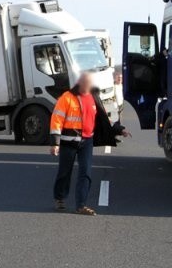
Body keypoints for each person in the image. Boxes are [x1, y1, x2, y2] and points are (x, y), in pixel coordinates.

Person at [50, 72, 131, 215]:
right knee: (64, 172)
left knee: (85, 173)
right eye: (86, 83)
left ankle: (81, 205)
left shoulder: (93, 98)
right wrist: (55, 143)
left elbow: (103, 119)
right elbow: (57, 120)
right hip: (69, 142)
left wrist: (119, 129)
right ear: (79, 83)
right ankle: (60, 198)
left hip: (87, 141)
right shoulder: (67, 98)